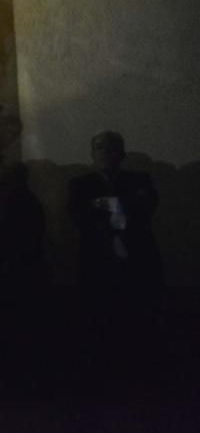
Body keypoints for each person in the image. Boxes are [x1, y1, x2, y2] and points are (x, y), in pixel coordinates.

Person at [67, 130, 162, 380]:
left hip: (135, 264)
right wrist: (120, 205)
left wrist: (104, 204)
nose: (105, 154)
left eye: (111, 149)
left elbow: (145, 208)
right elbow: (78, 216)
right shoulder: (80, 184)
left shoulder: (140, 179)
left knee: (134, 323)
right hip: (97, 264)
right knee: (98, 321)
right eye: (100, 148)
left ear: (122, 154)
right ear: (92, 153)